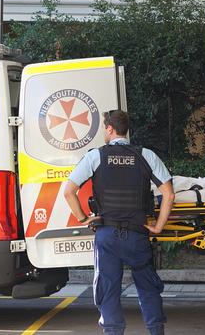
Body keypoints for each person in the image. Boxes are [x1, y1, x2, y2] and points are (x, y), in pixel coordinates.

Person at [64, 109, 175, 335]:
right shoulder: (146, 155)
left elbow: (69, 192)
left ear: (110, 129)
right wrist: (158, 226)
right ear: (127, 130)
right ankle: (156, 330)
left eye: (105, 128)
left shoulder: (96, 156)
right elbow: (169, 194)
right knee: (148, 287)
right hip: (138, 234)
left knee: (108, 288)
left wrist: (84, 218)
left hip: (107, 235)